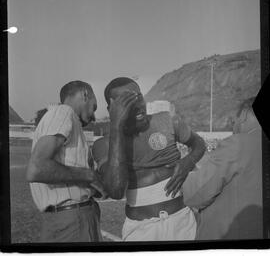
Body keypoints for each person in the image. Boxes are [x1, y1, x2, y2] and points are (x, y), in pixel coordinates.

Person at [92, 77, 206, 241]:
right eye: (127, 101)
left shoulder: (166, 120)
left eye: (139, 96)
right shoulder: (104, 144)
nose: (138, 105)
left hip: (183, 222)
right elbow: (115, 191)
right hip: (141, 230)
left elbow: (198, 143)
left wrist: (187, 162)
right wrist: (117, 125)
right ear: (112, 109)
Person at [26, 81, 106, 242]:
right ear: (84, 94)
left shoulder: (68, 121)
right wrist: (89, 176)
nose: (94, 116)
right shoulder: (64, 112)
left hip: (71, 218)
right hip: (72, 220)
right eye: (94, 107)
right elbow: (37, 168)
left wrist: (95, 187)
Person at [182, 97, 263, 239]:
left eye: (234, 121)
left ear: (243, 115)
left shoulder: (239, 143)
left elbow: (196, 194)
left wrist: (180, 171)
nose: (234, 127)